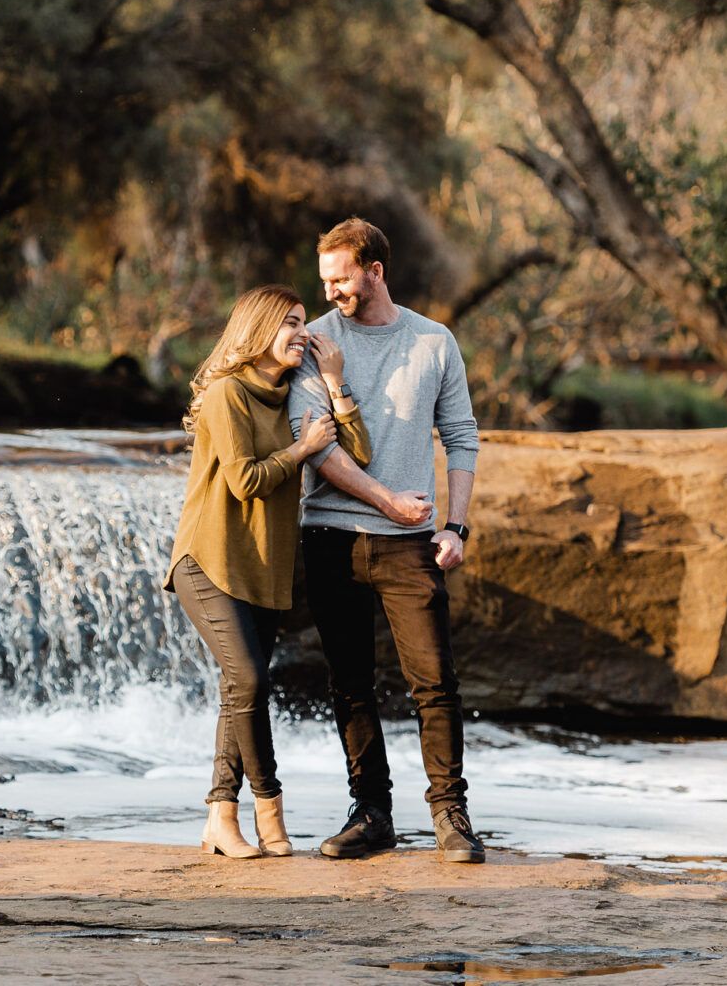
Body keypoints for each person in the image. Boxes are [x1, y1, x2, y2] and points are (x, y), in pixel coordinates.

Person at [286, 217, 486, 864]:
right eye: (325, 281)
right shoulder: (313, 341)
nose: (331, 292)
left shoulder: (434, 342)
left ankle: (450, 815)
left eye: (341, 279)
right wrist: (389, 502)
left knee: (434, 681)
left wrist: (454, 525)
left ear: (375, 270)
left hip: (410, 544)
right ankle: (371, 813)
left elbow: (461, 436)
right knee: (349, 683)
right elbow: (320, 448)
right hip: (331, 537)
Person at [164, 284, 372, 858]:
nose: (301, 333)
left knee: (239, 689)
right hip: (209, 561)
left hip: (263, 566)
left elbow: (356, 456)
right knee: (251, 681)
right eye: (288, 322)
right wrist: (302, 451)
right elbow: (244, 481)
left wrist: (334, 385)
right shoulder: (227, 394)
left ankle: (220, 819)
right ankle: (269, 809)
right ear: (256, 330)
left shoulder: (295, 394)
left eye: (304, 321)